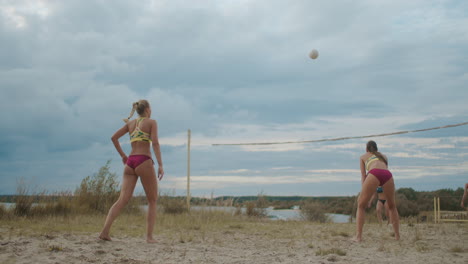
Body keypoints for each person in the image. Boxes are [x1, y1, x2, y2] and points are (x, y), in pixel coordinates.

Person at [99, 100, 164, 243]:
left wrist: (123, 156)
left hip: (130, 162)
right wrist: (160, 164)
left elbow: (113, 138)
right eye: (150, 107)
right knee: (152, 200)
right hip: (144, 160)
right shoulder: (151, 122)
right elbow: (156, 143)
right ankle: (149, 237)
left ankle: (104, 232)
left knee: (122, 199)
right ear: (147, 109)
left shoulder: (130, 124)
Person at [353, 140, 399, 242]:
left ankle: (358, 237)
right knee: (392, 206)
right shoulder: (384, 156)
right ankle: (397, 237)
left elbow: (363, 175)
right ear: (377, 148)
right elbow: (383, 170)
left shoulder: (363, 157)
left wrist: (363, 190)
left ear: (366, 149)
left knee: (360, 205)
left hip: (374, 173)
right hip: (387, 174)